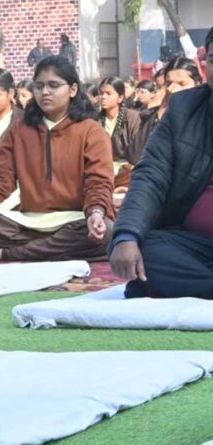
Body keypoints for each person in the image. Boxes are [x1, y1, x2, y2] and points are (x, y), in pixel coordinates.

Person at [0, 56, 115, 263]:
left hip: (77, 219)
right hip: (29, 223)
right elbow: (0, 182)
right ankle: (47, 250)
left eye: (53, 85)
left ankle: (7, 254)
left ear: (72, 90)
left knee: (106, 231)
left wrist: (96, 213)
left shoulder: (91, 130)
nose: (45, 92)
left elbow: (98, 182)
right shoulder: (19, 129)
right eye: (39, 86)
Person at [109, 27, 213, 300]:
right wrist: (127, 235)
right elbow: (150, 175)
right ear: (205, 65)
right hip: (195, 243)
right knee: (142, 247)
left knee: (148, 278)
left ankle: (182, 285)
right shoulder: (183, 109)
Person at [128, 57, 203, 165]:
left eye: (182, 84)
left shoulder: (206, 113)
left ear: (197, 83)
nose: (174, 89)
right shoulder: (155, 114)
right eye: (169, 84)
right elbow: (135, 156)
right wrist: (163, 108)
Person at [97, 77, 141, 191]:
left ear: (120, 97)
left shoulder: (133, 118)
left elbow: (137, 151)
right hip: (102, 170)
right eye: (101, 93)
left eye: (108, 93)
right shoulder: (94, 120)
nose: (103, 97)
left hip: (126, 171)